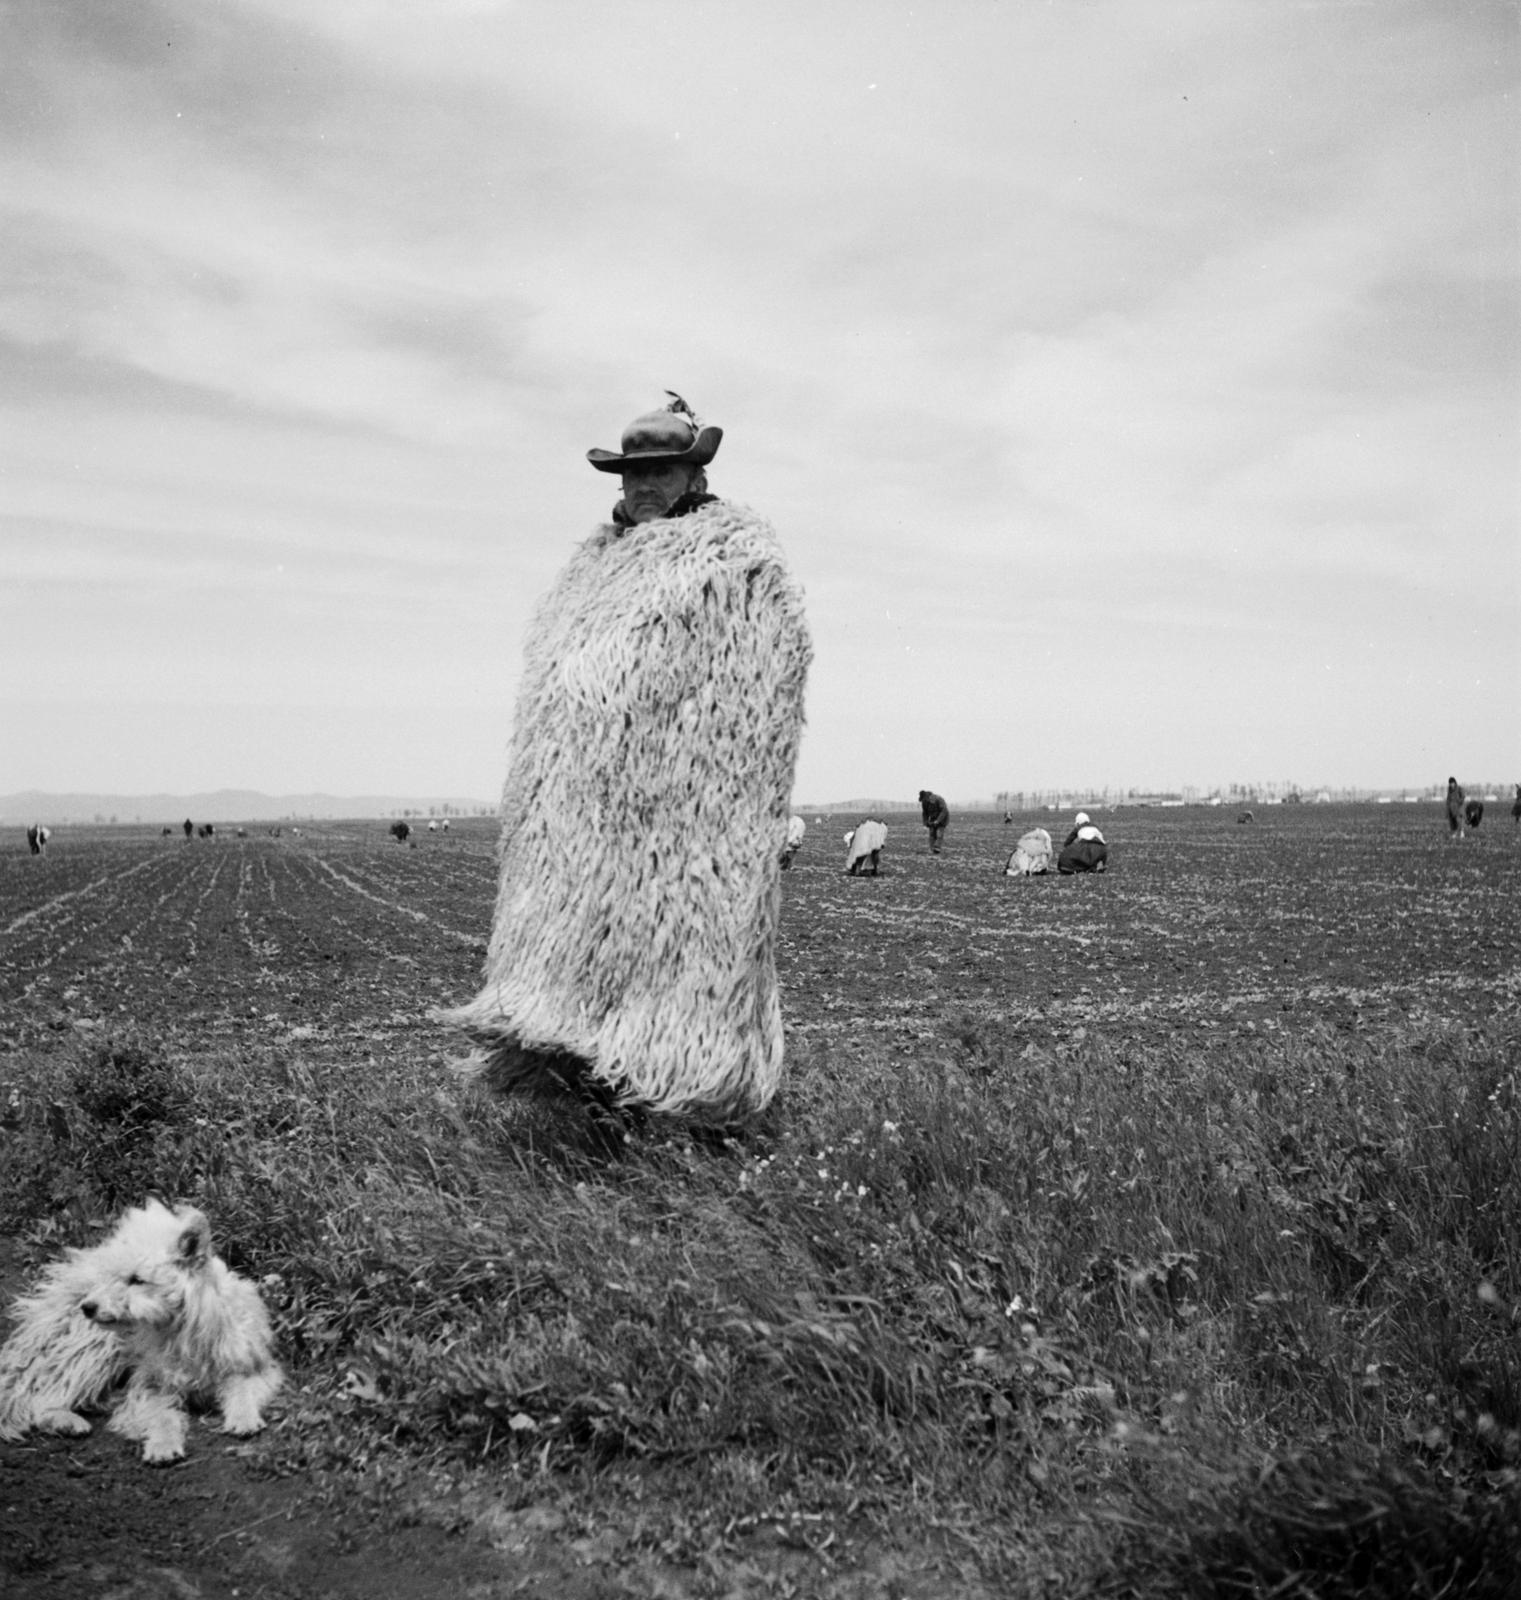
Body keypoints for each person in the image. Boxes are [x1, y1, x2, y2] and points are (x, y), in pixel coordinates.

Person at [445, 394, 812, 1127]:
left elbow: (754, 695)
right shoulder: (588, 574)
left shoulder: (733, 566)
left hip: (679, 829)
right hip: (576, 827)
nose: (642, 487)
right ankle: (595, 1120)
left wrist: (737, 814)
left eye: (660, 472)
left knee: (675, 983)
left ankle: (683, 1127)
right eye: (630, 475)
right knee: (580, 976)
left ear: (693, 479)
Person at [918, 789, 950, 855]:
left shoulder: (939, 799)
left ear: (927, 797)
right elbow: (925, 813)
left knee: (939, 834)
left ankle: (937, 848)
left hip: (943, 818)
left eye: (924, 799)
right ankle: (931, 849)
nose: (923, 801)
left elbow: (944, 811)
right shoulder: (924, 802)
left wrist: (938, 821)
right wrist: (925, 822)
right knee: (932, 834)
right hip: (933, 818)